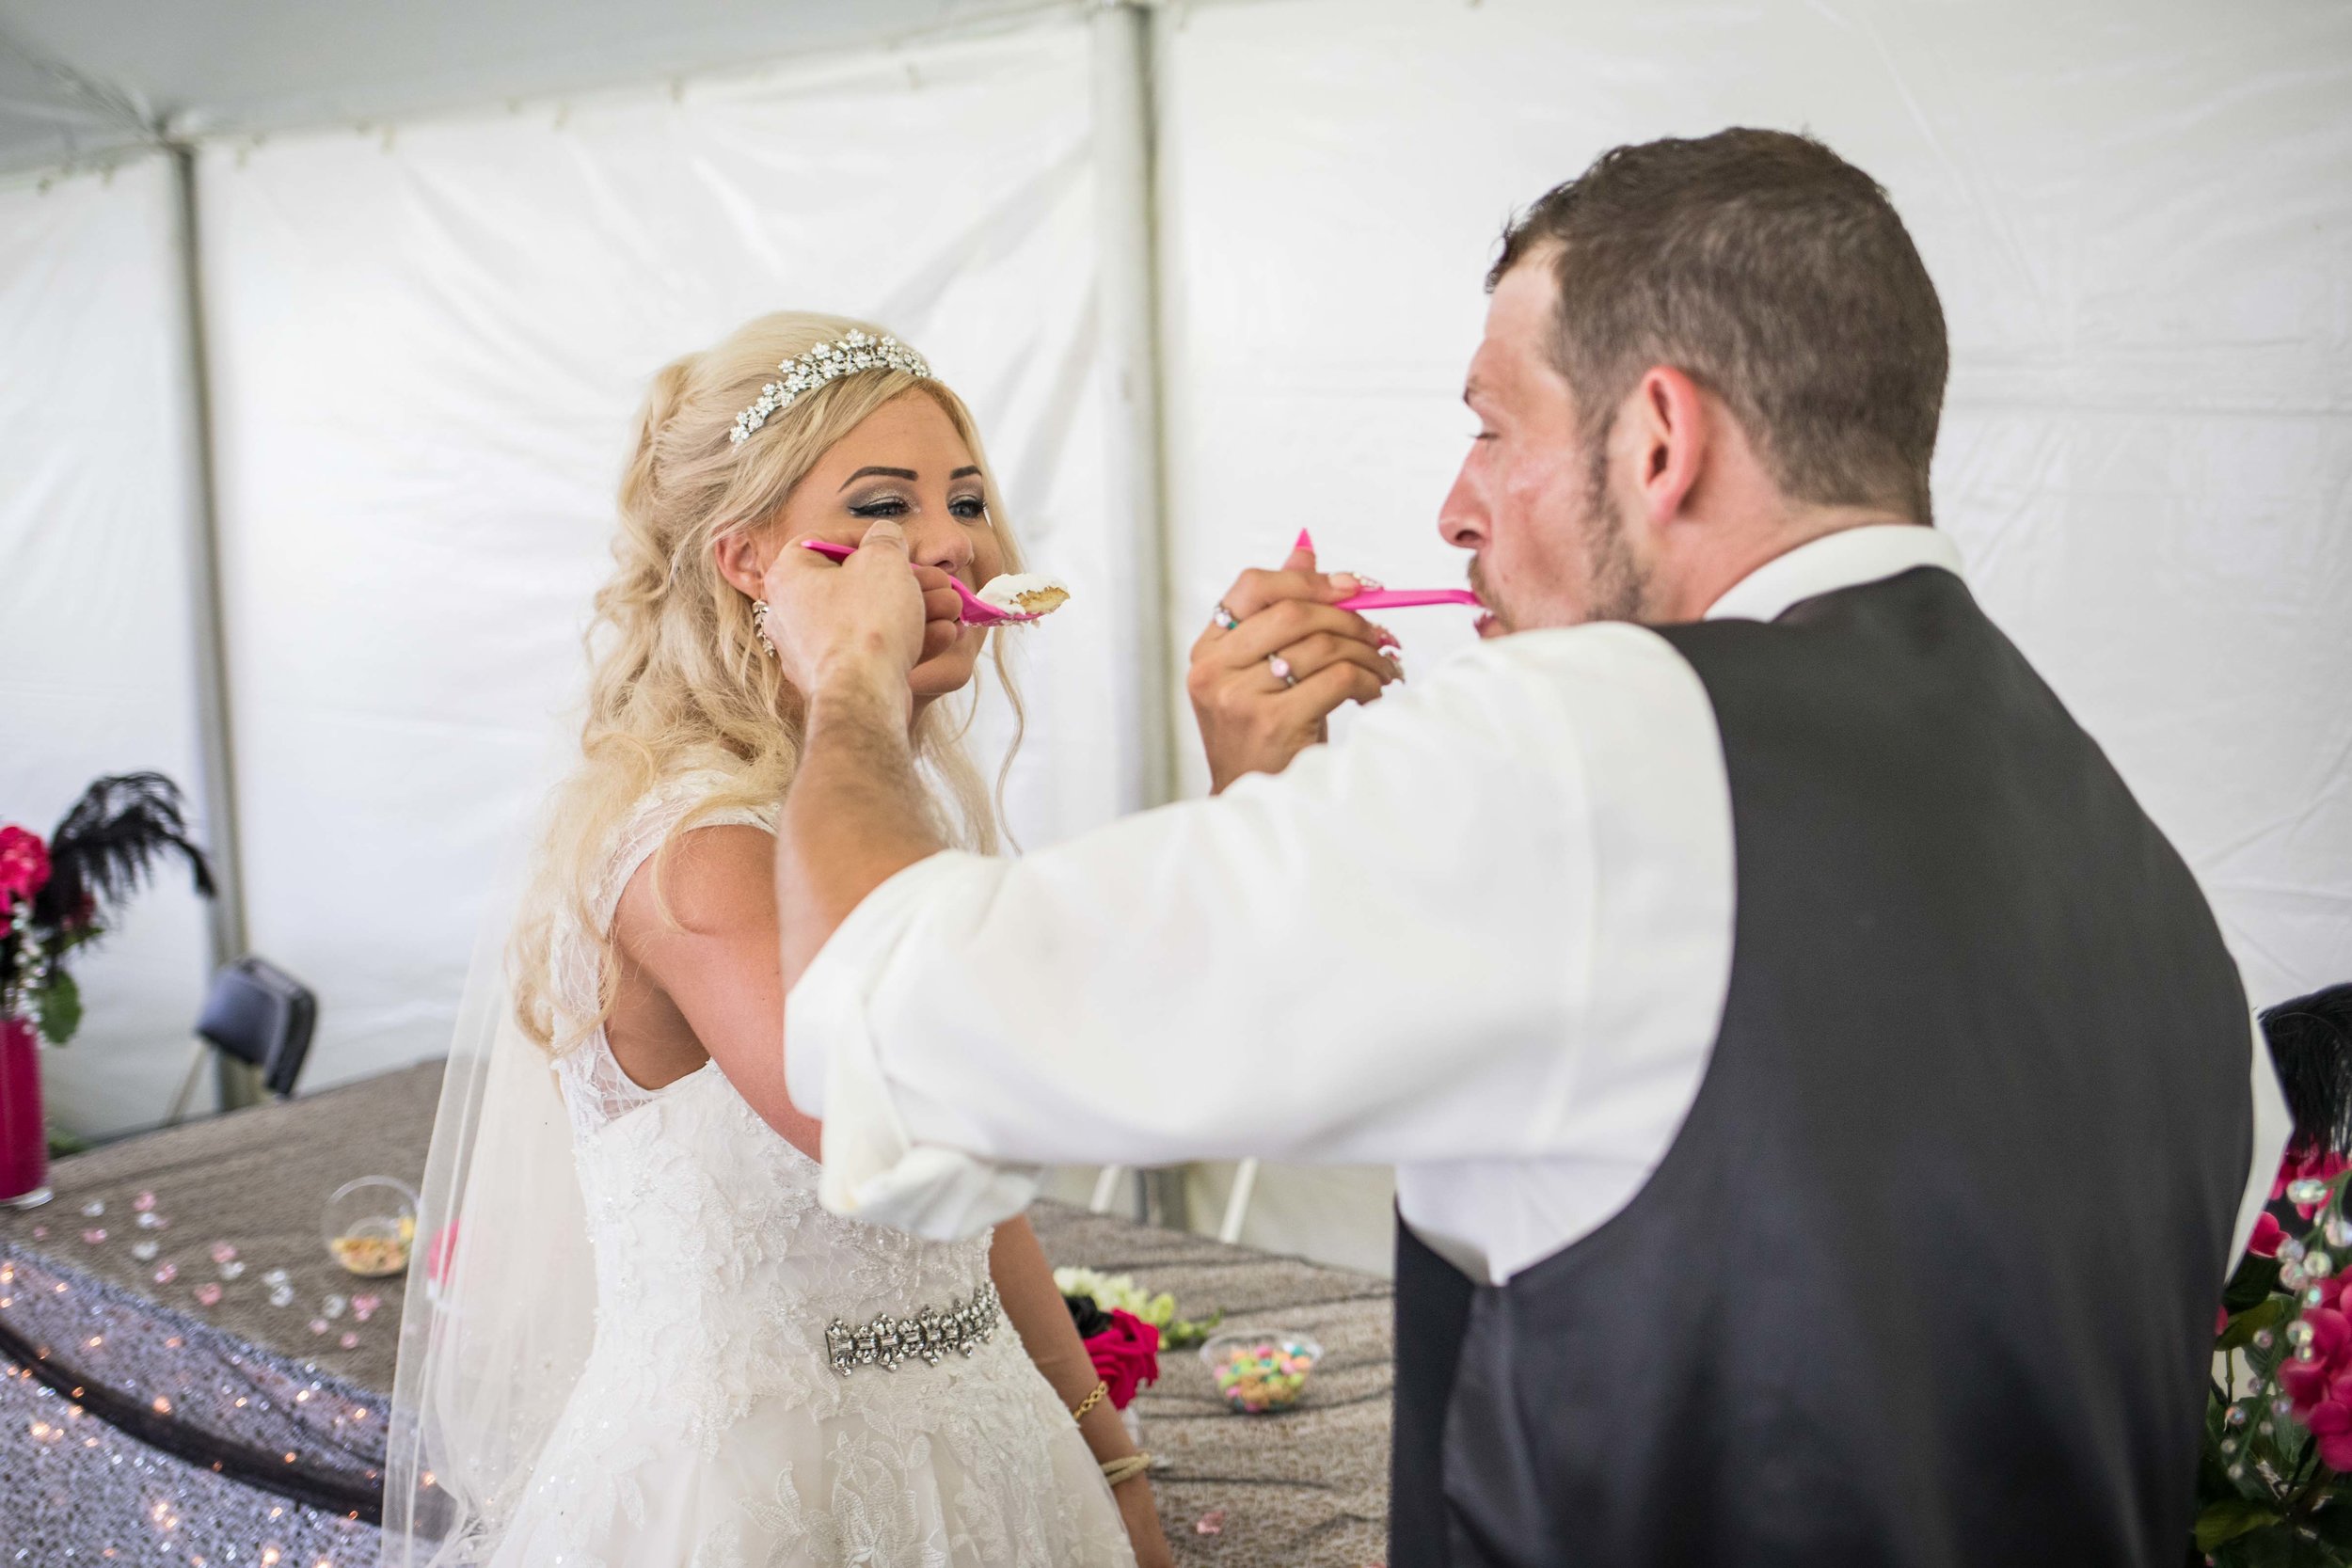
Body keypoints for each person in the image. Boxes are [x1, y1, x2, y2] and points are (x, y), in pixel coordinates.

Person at [762, 131, 2292, 1567]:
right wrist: (1263, 808)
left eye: (1494, 430)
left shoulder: (1591, 740)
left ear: (1661, 441)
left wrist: (843, 681)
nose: (1452, 507)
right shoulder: (2149, 889)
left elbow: (892, 1019)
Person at [383, 313, 1168, 1568]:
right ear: (749, 559)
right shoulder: (702, 852)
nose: (952, 541)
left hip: (995, 1465)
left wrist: (1108, 1454)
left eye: (963, 497)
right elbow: (891, 1118)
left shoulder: (871, 806)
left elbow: (969, 1214)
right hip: (749, 1507)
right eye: (880, 507)